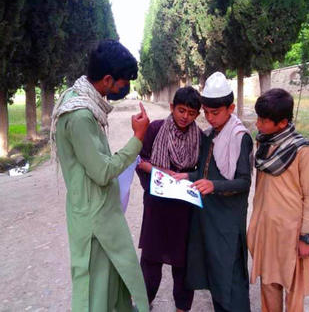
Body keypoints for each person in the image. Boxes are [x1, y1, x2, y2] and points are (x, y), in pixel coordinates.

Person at [50, 39, 149, 312]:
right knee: (94, 291)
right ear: (107, 80)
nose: (124, 88)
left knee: (114, 283)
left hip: (96, 211)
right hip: (94, 221)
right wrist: (137, 139)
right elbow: (103, 171)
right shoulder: (80, 115)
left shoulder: (78, 98)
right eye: (122, 82)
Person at [175, 72, 253, 312]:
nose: (209, 118)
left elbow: (243, 182)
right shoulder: (209, 136)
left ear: (230, 108)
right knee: (215, 276)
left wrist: (213, 186)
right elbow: (206, 172)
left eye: (215, 113)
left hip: (228, 222)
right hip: (208, 218)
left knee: (231, 277)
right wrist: (188, 176)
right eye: (206, 113)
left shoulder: (240, 137)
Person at [247, 88, 309, 312]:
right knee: (268, 285)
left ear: (282, 123)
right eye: (258, 118)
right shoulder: (263, 145)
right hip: (267, 230)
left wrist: (307, 237)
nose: (258, 124)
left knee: (294, 291)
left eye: (264, 120)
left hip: (292, 233)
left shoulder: (301, 150)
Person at [136, 86, 202, 312]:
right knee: (151, 260)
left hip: (184, 210)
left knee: (183, 263)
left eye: (192, 113)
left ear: (197, 115)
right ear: (172, 107)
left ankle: (182, 307)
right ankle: (145, 302)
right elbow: (139, 159)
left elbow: (203, 171)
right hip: (157, 205)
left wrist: (187, 177)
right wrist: (157, 178)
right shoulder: (155, 130)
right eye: (181, 110)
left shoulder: (200, 138)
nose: (185, 117)